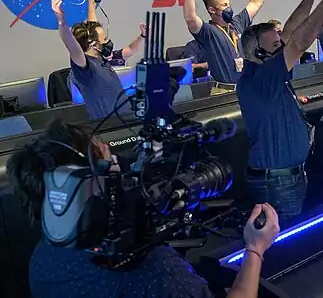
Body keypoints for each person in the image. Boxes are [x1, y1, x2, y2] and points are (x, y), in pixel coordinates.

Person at [9, 120, 281, 298]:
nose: (114, 160)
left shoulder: (43, 257)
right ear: (90, 186)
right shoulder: (151, 270)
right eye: (107, 161)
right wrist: (255, 249)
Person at [237, 0, 323, 222]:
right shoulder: (262, 78)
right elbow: (299, 42)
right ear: (256, 52)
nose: (281, 49)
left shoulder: (264, 70)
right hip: (278, 184)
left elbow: (290, 31)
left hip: (285, 178)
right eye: (275, 46)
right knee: (283, 237)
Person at [50, 0, 144, 120]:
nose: (108, 42)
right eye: (104, 39)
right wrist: (61, 21)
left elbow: (130, 49)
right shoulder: (85, 69)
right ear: (94, 45)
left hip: (128, 120)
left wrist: (91, 3)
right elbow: (72, 46)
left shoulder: (103, 58)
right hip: (108, 126)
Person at [182, 0, 271, 88]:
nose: (229, 8)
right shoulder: (208, 32)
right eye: (224, 5)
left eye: (229, 4)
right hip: (224, 90)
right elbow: (190, 18)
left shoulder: (236, 23)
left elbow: (256, 3)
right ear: (212, 10)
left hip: (245, 87)